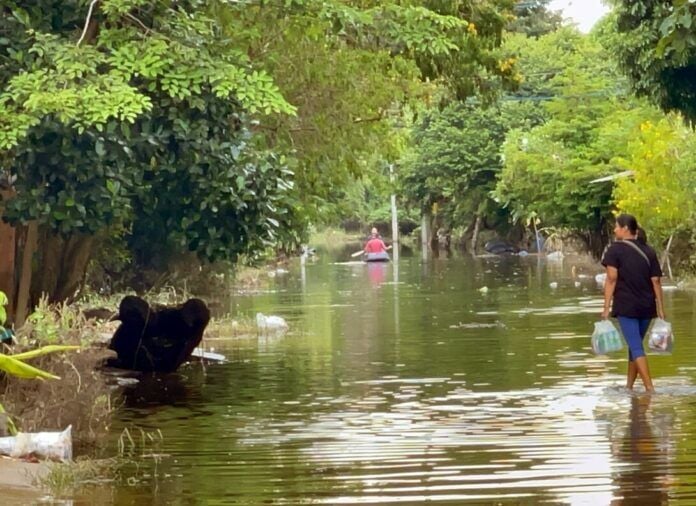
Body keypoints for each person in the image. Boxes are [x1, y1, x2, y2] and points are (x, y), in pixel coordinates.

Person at [601, 214, 665, 392]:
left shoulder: (614, 250)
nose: (614, 230)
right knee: (634, 346)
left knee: (636, 347)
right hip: (647, 307)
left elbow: (611, 279)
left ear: (625, 229)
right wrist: (660, 308)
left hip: (626, 306)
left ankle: (650, 389)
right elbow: (656, 282)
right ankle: (629, 388)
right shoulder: (649, 251)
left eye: (616, 226)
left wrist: (606, 307)